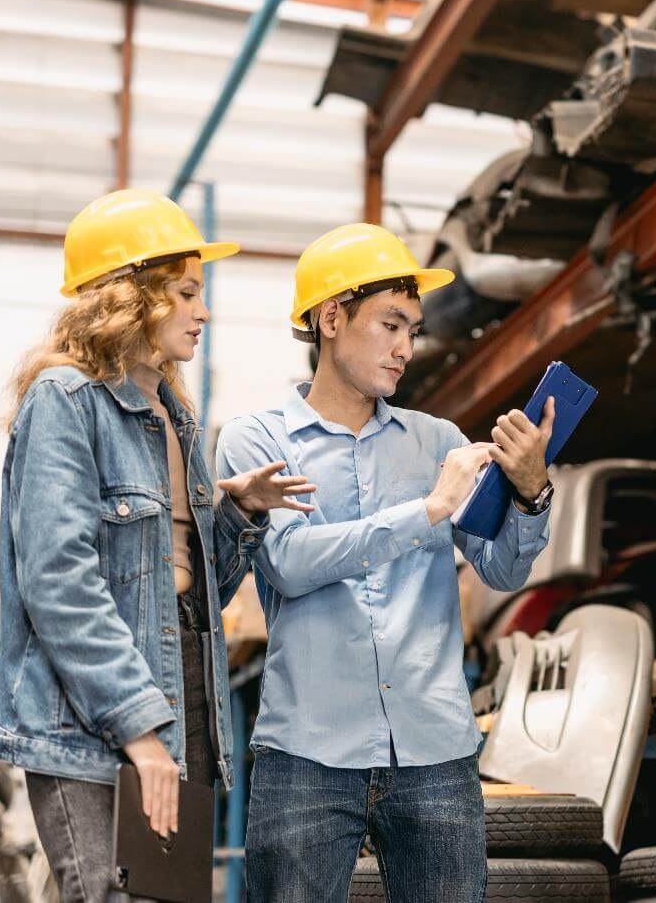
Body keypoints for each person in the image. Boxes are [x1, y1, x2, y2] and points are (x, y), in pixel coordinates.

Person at [0, 189, 313, 903]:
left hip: (180, 698)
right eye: (186, 292)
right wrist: (139, 730)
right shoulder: (65, 401)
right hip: (90, 719)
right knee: (107, 894)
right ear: (130, 297)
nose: (204, 311)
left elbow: (189, 596)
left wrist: (238, 516)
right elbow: (60, 583)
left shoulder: (174, 418)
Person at [216, 223, 556, 902]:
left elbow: (501, 570)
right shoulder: (258, 440)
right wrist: (427, 509)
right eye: (391, 325)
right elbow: (287, 562)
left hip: (434, 751)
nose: (406, 349)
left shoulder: (438, 440)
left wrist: (529, 492)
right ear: (331, 316)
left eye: (413, 330)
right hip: (308, 753)